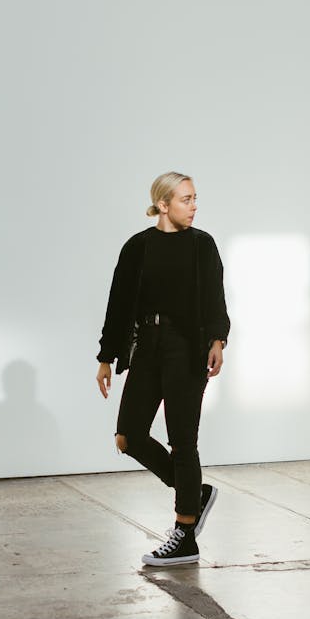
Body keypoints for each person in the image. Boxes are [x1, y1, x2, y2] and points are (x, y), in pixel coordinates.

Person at [95, 172, 230, 567]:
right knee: (128, 436)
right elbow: (118, 305)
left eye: (195, 199)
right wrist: (106, 356)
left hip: (187, 349)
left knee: (182, 440)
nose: (194, 206)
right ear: (164, 203)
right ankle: (194, 492)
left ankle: (185, 533)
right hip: (148, 348)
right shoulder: (137, 247)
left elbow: (215, 298)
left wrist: (218, 340)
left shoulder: (202, 245)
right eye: (186, 199)